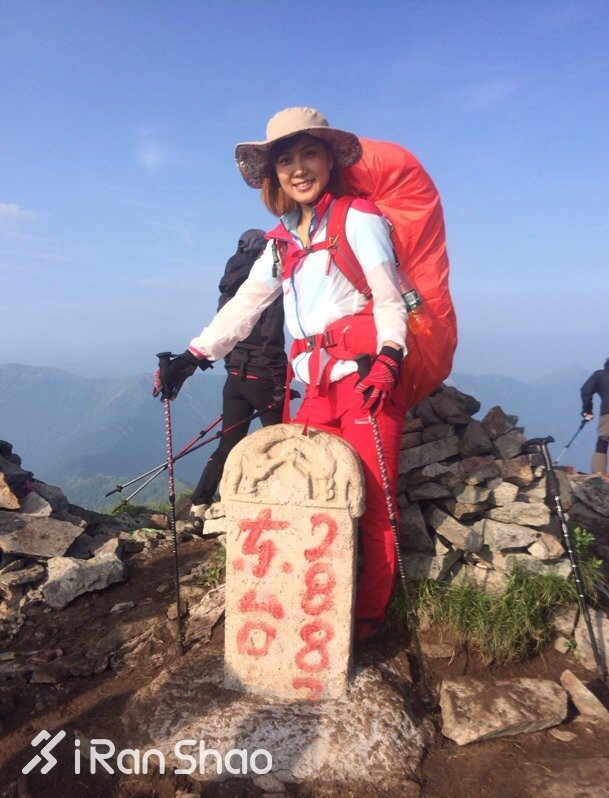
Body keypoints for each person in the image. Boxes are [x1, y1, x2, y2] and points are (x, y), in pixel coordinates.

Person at [154, 107, 408, 642]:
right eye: (284, 159)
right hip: (312, 389)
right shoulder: (283, 241)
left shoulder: (358, 219)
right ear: (274, 175)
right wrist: (193, 356)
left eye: (307, 153)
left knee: (374, 508)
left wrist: (389, 355)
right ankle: (315, 599)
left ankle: (366, 614)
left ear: (329, 160)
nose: (297, 168)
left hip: (363, 381)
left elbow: (390, 298)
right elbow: (245, 306)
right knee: (309, 493)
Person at [183, 229, 288, 534]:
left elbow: (227, 333)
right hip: (263, 377)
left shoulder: (229, 288)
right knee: (284, 442)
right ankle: (278, 503)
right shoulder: (265, 283)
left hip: (234, 377)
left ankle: (199, 505)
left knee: (228, 442)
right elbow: (270, 337)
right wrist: (279, 381)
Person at [581, 358, 609, 473]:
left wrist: (587, 410)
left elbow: (585, 391)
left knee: (603, 440)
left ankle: (599, 472)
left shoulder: (600, 375)